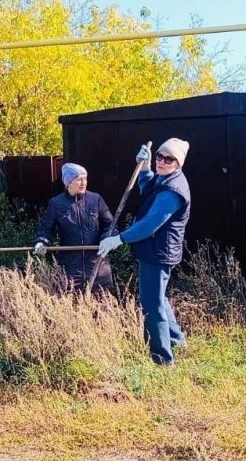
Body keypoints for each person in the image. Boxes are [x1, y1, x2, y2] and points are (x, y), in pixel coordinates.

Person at [97, 138, 190, 366]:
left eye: (169, 159)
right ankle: (177, 341)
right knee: (158, 297)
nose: (162, 162)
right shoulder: (165, 178)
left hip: (158, 252)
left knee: (150, 302)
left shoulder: (173, 191)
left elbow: (151, 223)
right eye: (159, 156)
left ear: (178, 163)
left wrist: (119, 239)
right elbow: (147, 188)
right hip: (155, 249)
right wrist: (146, 167)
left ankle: (162, 359)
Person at [33, 163, 116, 293]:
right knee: (72, 305)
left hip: (98, 265)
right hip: (70, 268)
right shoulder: (56, 203)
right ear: (68, 182)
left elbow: (110, 225)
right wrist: (41, 241)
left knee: (102, 306)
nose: (83, 182)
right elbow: (46, 228)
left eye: (85, 178)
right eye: (79, 179)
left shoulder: (96, 199)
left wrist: (108, 239)